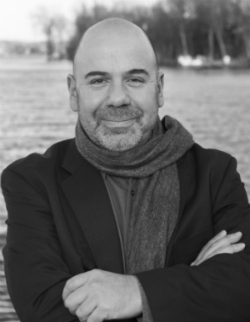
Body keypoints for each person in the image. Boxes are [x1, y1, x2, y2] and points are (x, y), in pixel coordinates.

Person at [1, 18, 250, 322]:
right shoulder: (31, 182)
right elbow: (43, 310)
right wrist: (194, 282)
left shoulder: (215, 173)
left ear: (158, 89)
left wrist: (135, 293)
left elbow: (244, 287)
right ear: (73, 92)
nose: (118, 99)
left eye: (134, 79)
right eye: (98, 80)